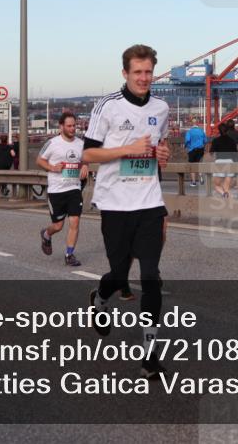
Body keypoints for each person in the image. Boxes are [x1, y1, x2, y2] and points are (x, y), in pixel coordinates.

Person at [83, 44, 171, 380]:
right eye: (137, 72)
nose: (144, 78)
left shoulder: (161, 108)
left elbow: (159, 147)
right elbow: (89, 156)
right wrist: (127, 150)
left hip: (149, 201)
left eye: (148, 72)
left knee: (150, 277)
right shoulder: (106, 107)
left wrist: (162, 153)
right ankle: (101, 299)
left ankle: (150, 355)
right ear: (125, 73)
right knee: (119, 275)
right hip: (115, 203)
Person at [37, 113, 88, 266]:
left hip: (74, 188)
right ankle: (46, 234)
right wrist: (52, 167)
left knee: (75, 221)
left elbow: (86, 158)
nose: (73, 129)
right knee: (58, 226)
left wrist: (85, 165)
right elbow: (39, 160)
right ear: (61, 127)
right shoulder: (52, 143)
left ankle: (69, 254)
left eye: (74, 126)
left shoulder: (80, 143)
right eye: (69, 126)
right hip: (56, 190)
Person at [210, 122, 238, 199]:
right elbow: (235, 153)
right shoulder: (232, 140)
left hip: (219, 162)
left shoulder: (215, 140)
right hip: (229, 162)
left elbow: (211, 153)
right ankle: (229, 201)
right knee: (227, 187)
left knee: (216, 185)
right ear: (227, 130)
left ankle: (223, 194)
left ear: (219, 130)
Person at [183, 118, 207, 187]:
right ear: (198, 123)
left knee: (192, 165)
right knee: (199, 164)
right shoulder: (201, 131)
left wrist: (187, 146)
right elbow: (205, 140)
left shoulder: (189, 132)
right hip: (200, 149)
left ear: (191, 123)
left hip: (192, 150)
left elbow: (187, 140)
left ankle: (193, 182)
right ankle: (201, 177)